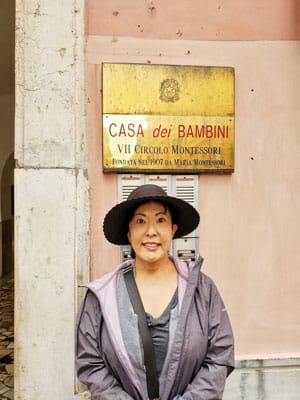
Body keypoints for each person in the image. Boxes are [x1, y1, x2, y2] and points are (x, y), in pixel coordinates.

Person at [76, 184, 234, 399]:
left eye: (161, 220)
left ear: (173, 230)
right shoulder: (101, 296)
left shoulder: (203, 290)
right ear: (129, 233)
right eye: (140, 221)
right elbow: (90, 362)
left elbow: (219, 355)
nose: (151, 231)